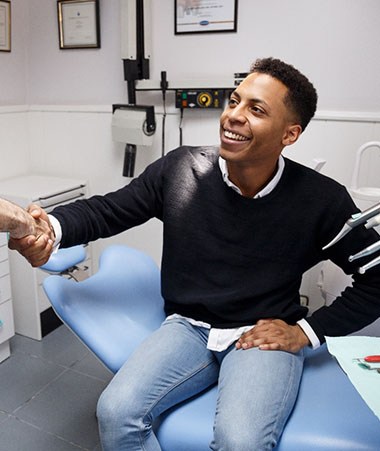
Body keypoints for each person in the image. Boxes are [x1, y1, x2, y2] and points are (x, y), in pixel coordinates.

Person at [9, 57, 380, 450]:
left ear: (290, 134)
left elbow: (376, 278)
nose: (234, 116)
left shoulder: (321, 200)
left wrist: (306, 332)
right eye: (234, 101)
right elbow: (109, 209)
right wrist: (49, 226)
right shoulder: (181, 168)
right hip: (187, 326)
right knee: (116, 412)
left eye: (255, 109)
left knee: (240, 442)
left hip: (261, 333)